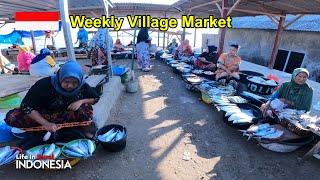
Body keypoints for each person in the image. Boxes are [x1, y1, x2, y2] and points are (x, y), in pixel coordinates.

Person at [5, 60, 100, 135]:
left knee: (85, 110)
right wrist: (45, 123)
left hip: (64, 114)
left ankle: (67, 128)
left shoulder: (82, 85)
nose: (70, 86)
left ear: (79, 80)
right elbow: (26, 106)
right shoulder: (44, 84)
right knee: (12, 117)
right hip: (43, 114)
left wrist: (81, 101)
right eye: (66, 82)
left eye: (74, 83)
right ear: (60, 77)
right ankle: (49, 127)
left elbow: (95, 98)